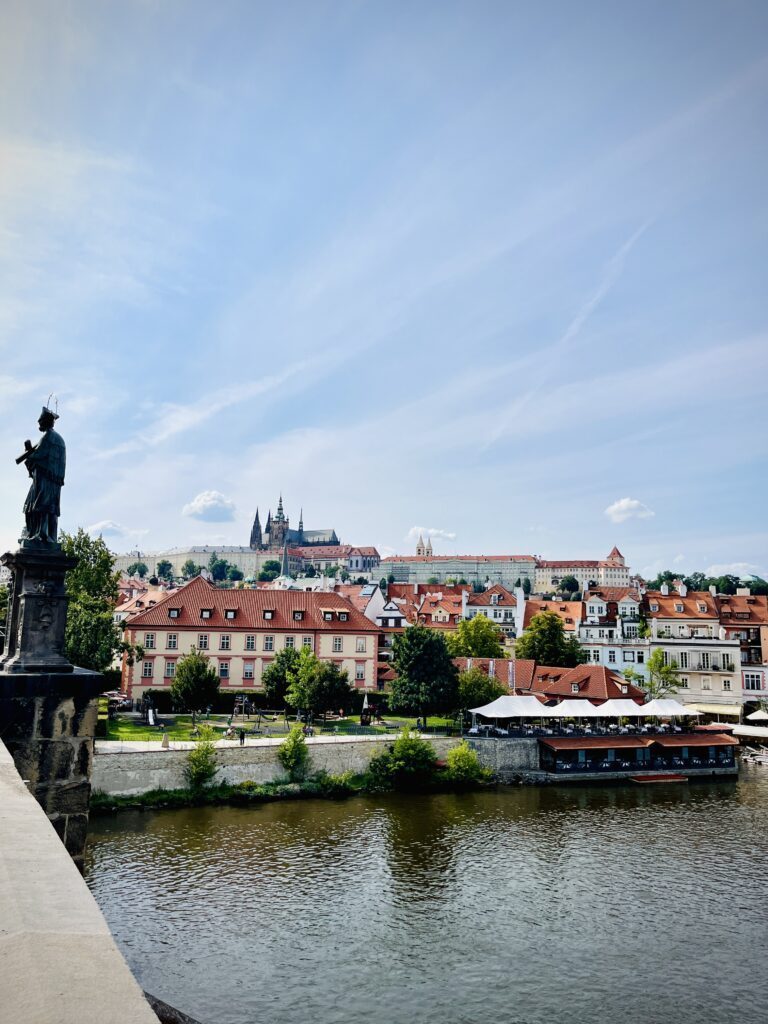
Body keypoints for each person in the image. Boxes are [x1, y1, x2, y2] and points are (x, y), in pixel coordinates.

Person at [19, 406, 66, 545]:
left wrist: (28, 452)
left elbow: (38, 456)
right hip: (52, 482)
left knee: (39, 506)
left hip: (45, 480)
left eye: (40, 421)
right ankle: (45, 534)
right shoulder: (58, 439)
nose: (38, 423)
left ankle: (41, 535)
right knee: (38, 507)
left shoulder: (48, 437)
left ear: (45, 421)